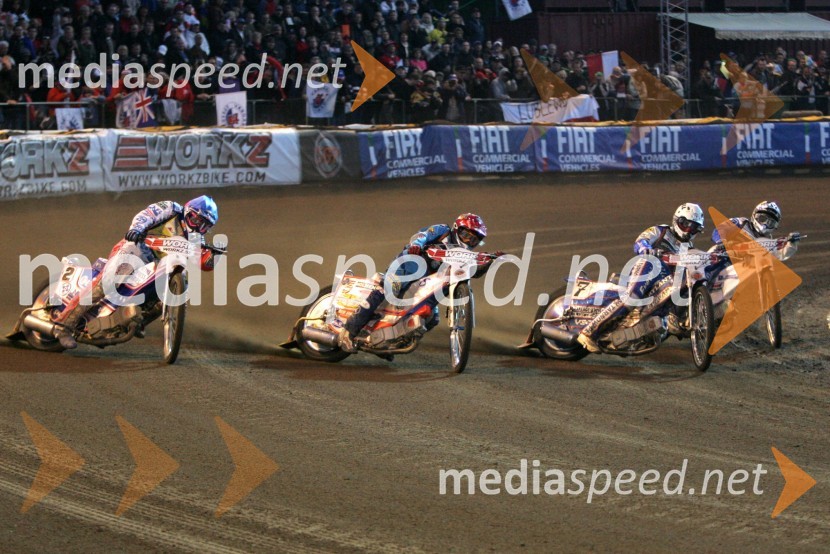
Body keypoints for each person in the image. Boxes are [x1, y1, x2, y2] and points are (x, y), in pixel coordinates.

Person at [54, 196, 222, 350]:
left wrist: (214, 257)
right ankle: (64, 325)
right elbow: (146, 215)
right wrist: (137, 229)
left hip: (159, 267)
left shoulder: (196, 240)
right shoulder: (171, 209)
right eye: (196, 219)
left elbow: (202, 264)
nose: (198, 226)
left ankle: (137, 321)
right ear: (187, 211)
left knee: (171, 292)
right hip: (138, 247)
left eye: (204, 225)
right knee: (109, 281)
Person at [337, 214, 502, 352]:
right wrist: (416, 246)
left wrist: (489, 262)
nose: (468, 241)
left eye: (474, 240)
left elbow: (475, 273)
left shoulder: (465, 256)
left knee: (432, 318)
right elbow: (421, 236)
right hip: (409, 265)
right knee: (387, 289)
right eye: (466, 235)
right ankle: (348, 331)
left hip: (427, 283)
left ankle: (392, 342)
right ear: (457, 229)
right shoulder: (442, 230)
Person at [577, 203, 705, 353]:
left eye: (693, 227)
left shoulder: (689, 248)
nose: (688, 230)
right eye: (685, 224)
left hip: (663, 285)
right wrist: (645, 248)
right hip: (650, 265)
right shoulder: (661, 231)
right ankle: (590, 331)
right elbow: (641, 240)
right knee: (632, 297)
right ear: (676, 220)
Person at [710, 201, 799, 261]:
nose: (765, 224)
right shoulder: (741, 222)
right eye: (762, 218)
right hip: (720, 258)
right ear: (754, 215)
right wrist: (722, 242)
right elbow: (720, 229)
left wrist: (791, 243)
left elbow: (780, 254)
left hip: (743, 270)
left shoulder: (768, 242)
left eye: (771, 222)